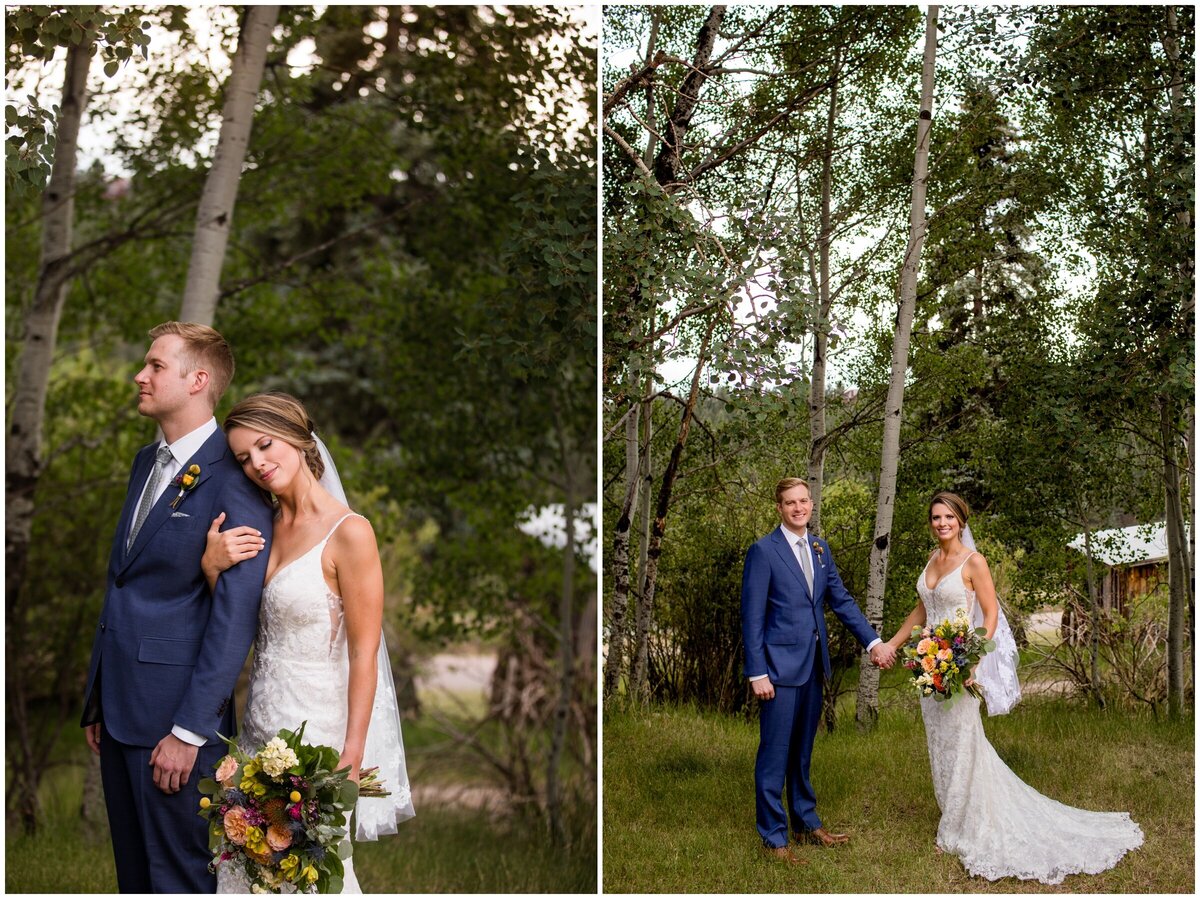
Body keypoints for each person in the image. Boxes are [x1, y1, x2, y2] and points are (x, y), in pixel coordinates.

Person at [81, 322, 275, 893]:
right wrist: (98, 695)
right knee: (136, 879)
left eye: (154, 366)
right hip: (119, 707)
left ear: (197, 380)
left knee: (178, 878)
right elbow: (127, 585)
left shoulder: (236, 480)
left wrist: (190, 732)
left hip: (173, 721)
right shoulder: (147, 461)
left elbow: (234, 619)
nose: (140, 376)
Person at [201, 392, 414, 893]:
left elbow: (364, 652)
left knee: (310, 873)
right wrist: (212, 568)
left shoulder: (351, 533)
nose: (257, 464)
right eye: (244, 459)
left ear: (299, 438)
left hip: (318, 730)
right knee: (249, 869)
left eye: (265, 445)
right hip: (258, 727)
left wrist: (352, 753)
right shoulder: (261, 528)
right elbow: (239, 623)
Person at [880, 491, 1143, 884]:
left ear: (961, 521)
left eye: (948, 517)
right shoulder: (932, 560)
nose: (941, 523)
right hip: (929, 666)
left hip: (959, 667)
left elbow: (990, 615)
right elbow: (923, 609)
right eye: (936, 517)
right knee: (940, 744)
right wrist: (894, 643)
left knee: (964, 742)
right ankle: (955, 811)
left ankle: (956, 829)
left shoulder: (974, 562)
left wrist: (972, 661)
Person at [741, 477, 896, 864]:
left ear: (811, 504)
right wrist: (756, 671)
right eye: (790, 503)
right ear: (779, 507)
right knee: (775, 753)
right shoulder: (763, 551)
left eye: (804, 501)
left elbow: (840, 601)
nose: (798, 508)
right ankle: (774, 839)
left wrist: (874, 643)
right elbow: (752, 616)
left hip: (812, 667)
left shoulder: (820, 548)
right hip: (776, 670)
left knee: (802, 752)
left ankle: (806, 823)